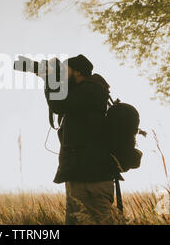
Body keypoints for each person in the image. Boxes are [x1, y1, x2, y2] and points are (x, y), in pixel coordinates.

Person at [43, 54, 118, 225]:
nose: (62, 74)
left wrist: (50, 79)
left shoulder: (89, 91)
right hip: (92, 174)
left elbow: (57, 104)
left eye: (65, 71)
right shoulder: (92, 90)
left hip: (88, 178)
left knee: (83, 221)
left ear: (77, 72)